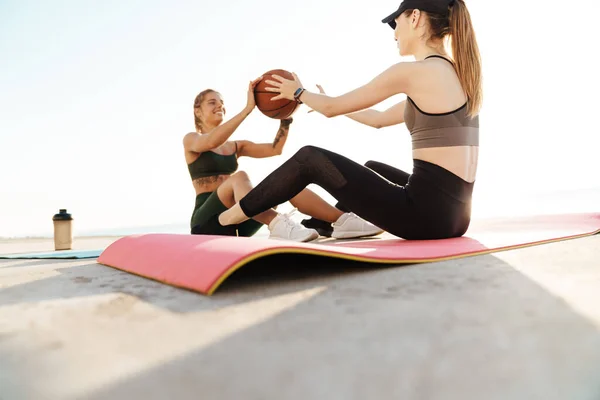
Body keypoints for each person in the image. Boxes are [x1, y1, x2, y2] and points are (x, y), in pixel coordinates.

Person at [218, 0, 482, 241]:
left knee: (310, 158)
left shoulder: (412, 73)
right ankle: (337, 223)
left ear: (414, 18)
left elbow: (331, 108)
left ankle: (229, 217)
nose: (394, 32)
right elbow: (378, 119)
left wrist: (298, 93)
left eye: (396, 22)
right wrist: (322, 101)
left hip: (426, 218)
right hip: (456, 217)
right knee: (371, 167)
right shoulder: (457, 75)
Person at [183, 80, 384, 242]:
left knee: (287, 183)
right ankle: (277, 225)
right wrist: (247, 109)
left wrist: (286, 116)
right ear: (197, 111)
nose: (220, 106)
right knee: (240, 177)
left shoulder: (236, 146)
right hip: (207, 222)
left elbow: (275, 149)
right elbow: (211, 141)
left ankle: (340, 222)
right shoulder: (191, 140)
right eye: (212, 102)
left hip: (239, 222)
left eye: (221, 102)